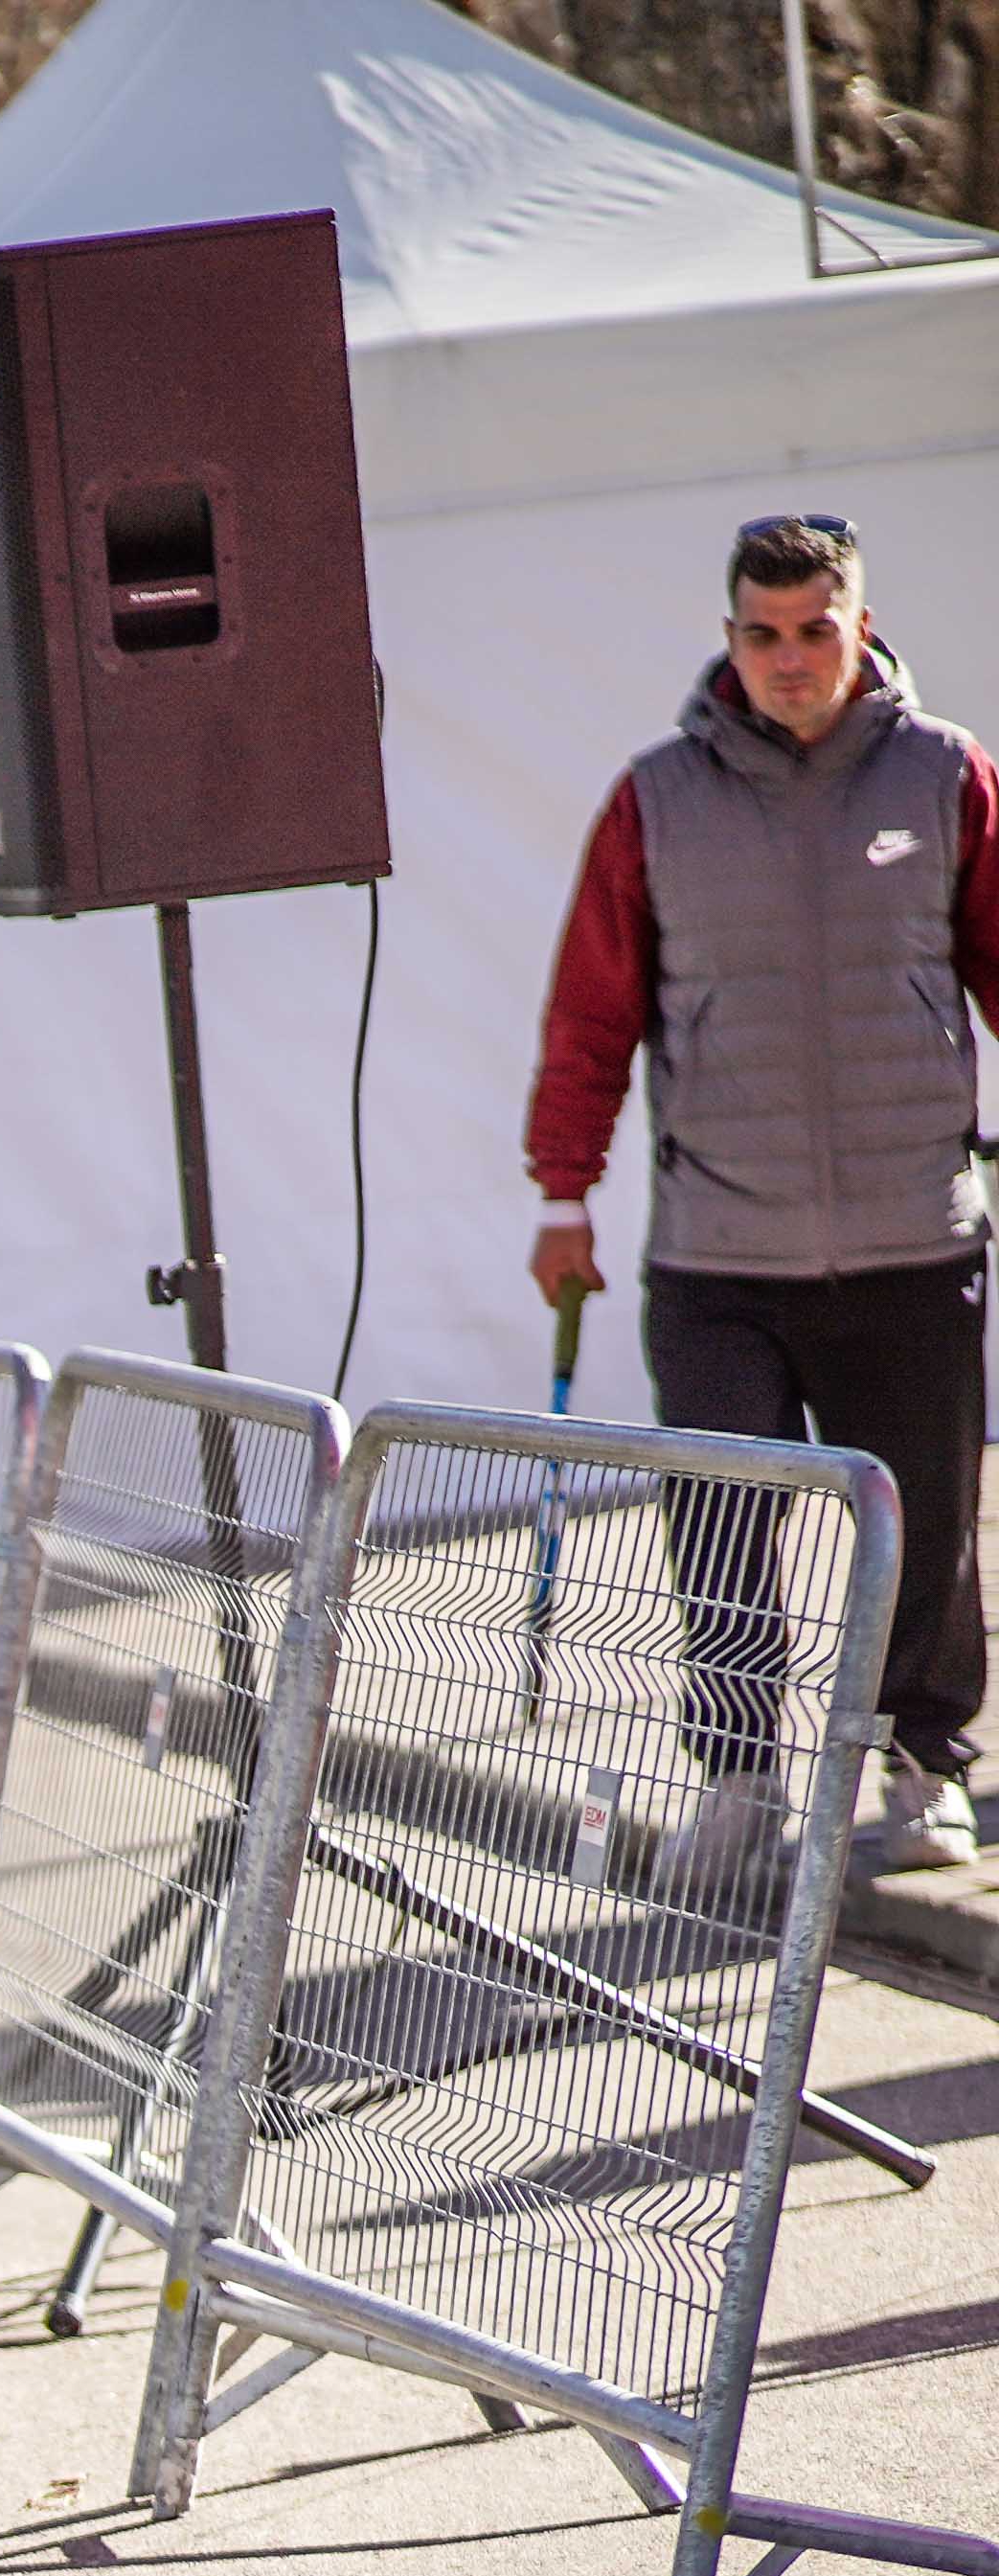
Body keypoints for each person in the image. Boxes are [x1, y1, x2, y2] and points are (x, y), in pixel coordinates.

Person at [529, 512, 999, 1875]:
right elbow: (590, 1013)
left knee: (919, 1522)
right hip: (720, 1252)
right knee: (724, 1523)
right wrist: (566, 1193)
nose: (790, 659)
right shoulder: (656, 797)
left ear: (859, 625)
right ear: (729, 636)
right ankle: (740, 1784)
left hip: (913, 1239)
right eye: (763, 634)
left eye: (815, 631)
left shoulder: (945, 778)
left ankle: (922, 1774)